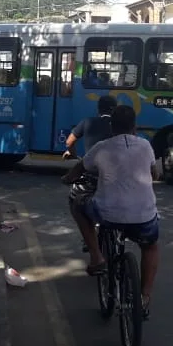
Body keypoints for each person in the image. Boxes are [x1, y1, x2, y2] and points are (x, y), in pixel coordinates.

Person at [62, 105, 161, 317]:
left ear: (111, 126)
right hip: (144, 217)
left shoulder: (101, 147)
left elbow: (78, 170)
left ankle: (97, 257)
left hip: (107, 215)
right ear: (134, 126)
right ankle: (144, 298)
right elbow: (155, 173)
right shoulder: (145, 146)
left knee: (77, 202)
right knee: (150, 247)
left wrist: (67, 179)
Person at [64, 95, 116, 254]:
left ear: (98, 109)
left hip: (92, 176)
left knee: (78, 202)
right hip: (116, 179)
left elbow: (69, 142)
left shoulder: (87, 122)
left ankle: (91, 243)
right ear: (114, 109)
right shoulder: (119, 127)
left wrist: (72, 154)